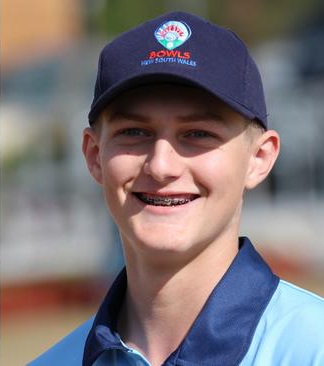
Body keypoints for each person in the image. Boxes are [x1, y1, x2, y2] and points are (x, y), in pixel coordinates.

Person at [30, 11, 324, 366]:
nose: (161, 165)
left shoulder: (311, 347)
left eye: (198, 134)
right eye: (134, 133)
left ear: (259, 158)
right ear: (94, 155)